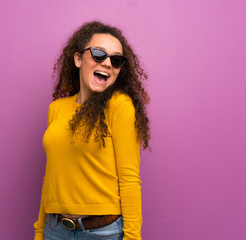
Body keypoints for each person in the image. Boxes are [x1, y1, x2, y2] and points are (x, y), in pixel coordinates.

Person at [34, 21, 150, 240]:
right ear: (78, 59)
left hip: (101, 233)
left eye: (116, 60)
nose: (107, 63)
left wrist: (133, 237)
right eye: (98, 54)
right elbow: (51, 176)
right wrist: (40, 231)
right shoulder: (56, 109)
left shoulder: (119, 105)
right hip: (55, 229)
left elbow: (129, 178)